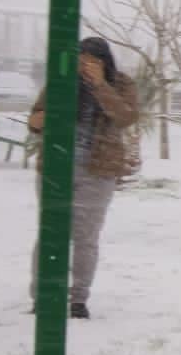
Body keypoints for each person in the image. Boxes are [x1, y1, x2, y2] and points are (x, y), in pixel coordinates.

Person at [27, 36, 139, 319]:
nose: (86, 65)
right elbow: (36, 117)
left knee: (85, 236)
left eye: (94, 60)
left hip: (98, 170)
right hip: (56, 166)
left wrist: (100, 85)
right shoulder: (61, 81)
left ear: (105, 62)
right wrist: (37, 122)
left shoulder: (121, 84)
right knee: (51, 233)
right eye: (82, 59)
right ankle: (43, 294)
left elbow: (126, 117)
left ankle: (78, 298)